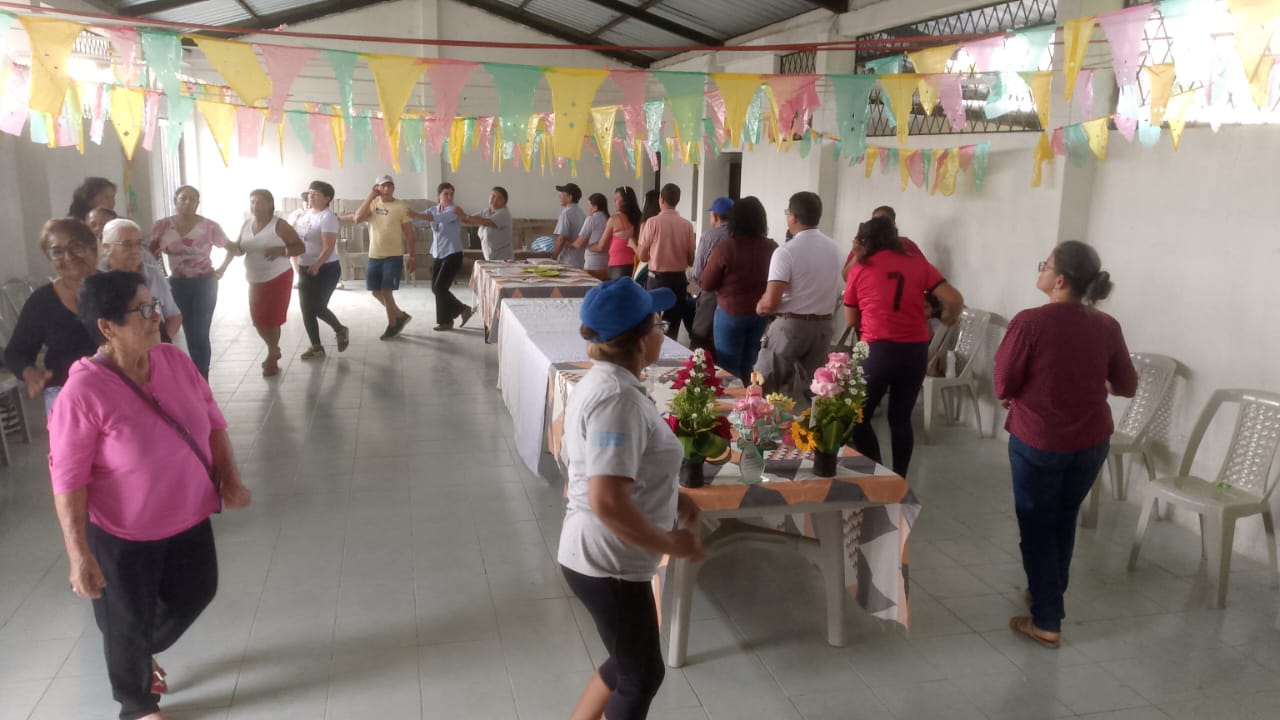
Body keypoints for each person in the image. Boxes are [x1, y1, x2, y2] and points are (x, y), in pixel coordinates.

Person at [49, 270, 252, 720]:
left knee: (196, 593)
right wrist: (79, 554)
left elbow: (213, 421)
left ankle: (133, 644)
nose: (155, 315)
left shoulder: (173, 361)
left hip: (188, 514)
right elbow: (68, 480)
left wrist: (231, 479)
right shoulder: (83, 392)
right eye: (142, 309)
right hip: (124, 532)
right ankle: (137, 703)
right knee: (127, 620)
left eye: (154, 304)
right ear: (107, 327)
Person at [559, 277, 703, 720]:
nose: (663, 332)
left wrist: (673, 498)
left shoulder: (612, 385)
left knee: (627, 662)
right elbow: (606, 499)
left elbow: (623, 469)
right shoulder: (616, 399)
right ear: (641, 340)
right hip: (608, 563)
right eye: (659, 324)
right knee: (640, 676)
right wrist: (669, 542)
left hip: (606, 557)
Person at [995, 241, 1137, 649]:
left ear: (1059, 280)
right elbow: (1127, 384)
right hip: (1090, 441)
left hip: (1039, 440)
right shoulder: (1106, 325)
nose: (1040, 269)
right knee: (1062, 517)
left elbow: (1004, 382)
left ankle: (1046, 621)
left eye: (1046, 264)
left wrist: (1017, 394)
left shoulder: (1030, 322)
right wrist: (1091, 381)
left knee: (1037, 525)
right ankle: (1047, 593)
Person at [843, 216, 964, 477]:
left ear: (865, 241)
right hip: (914, 352)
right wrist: (948, 317)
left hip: (877, 350)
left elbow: (851, 320)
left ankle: (877, 473)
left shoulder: (860, 269)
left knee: (857, 418)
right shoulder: (917, 263)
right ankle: (900, 478)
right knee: (900, 420)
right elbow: (955, 298)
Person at [4, 218, 100, 415]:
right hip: (65, 394)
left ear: (93, 248)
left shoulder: (121, 289)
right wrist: (29, 372)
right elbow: (16, 352)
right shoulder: (42, 301)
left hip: (119, 387)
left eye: (76, 247)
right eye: (57, 252)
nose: (68, 256)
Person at [755, 191, 842, 395]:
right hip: (823, 327)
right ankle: (810, 417)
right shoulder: (834, 248)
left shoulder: (786, 251)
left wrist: (759, 306)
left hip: (790, 327)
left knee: (765, 385)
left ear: (793, 216)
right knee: (817, 390)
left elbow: (770, 302)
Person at [150, 186, 234, 378]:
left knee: (199, 331)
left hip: (204, 283)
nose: (187, 202)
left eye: (192, 199)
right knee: (181, 329)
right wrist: (157, 276)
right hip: (177, 284)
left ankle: (202, 377)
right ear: (175, 201)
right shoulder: (162, 226)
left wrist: (222, 269)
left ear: (198, 203)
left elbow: (232, 248)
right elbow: (151, 251)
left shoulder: (209, 226)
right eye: (183, 198)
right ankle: (178, 374)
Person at [227, 189, 304, 377]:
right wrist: (224, 250)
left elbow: (300, 247)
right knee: (258, 320)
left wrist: (281, 251)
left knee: (272, 319)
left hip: (278, 277)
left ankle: (271, 355)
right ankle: (273, 348)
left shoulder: (280, 225)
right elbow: (239, 249)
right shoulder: (246, 224)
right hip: (254, 279)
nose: (255, 206)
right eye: (252, 202)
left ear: (270, 204)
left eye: (260, 202)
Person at [699, 197, 775, 383]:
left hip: (730, 313)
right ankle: (749, 398)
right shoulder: (772, 247)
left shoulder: (726, 248)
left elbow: (706, 283)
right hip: (759, 314)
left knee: (728, 367)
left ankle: (733, 399)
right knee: (749, 363)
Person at [293, 181, 349, 360]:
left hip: (326, 269)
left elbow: (328, 247)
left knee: (317, 307)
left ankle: (340, 329)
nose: (311, 196)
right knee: (305, 308)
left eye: (316, 193)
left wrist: (317, 265)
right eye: (310, 192)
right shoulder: (304, 215)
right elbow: (298, 240)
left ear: (327, 198)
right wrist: (297, 265)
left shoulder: (328, 217)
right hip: (305, 267)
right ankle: (316, 346)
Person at [101, 219, 182, 343]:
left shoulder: (152, 272)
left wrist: (160, 344)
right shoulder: (99, 282)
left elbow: (174, 316)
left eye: (139, 243)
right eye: (127, 244)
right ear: (106, 248)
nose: (135, 250)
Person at [354, 174, 414, 340]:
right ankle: (400, 315)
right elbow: (357, 218)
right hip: (374, 255)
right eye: (383, 186)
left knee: (387, 292)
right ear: (377, 188)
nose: (387, 189)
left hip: (393, 256)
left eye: (390, 185)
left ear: (394, 187)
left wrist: (412, 256)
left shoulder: (401, 206)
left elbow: (409, 233)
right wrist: (370, 196)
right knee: (375, 292)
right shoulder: (372, 204)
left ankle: (392, 325)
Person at [636, 184, 695, 340]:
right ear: (678, 201)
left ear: (661, 199)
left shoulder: (652, 222)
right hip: (679, 280)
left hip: (657, 279)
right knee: (673, 324)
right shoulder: (687, 225)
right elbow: (691, 260)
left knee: (651, 321)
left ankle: (653, 350)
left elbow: (642, 256)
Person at [417, 182, 473, 332]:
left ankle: (463, 309)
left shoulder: (453, 210)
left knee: (440, 288)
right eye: (445, 194)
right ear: (438, 195)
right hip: (438, 253)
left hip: (453, 254)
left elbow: (438, 218)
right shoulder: (433, 209)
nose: (449, 197)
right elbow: (419, 218)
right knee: (436, 289)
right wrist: (404, 218)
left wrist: (415, 214)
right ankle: (446, 322)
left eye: (451, 194)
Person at [689, 196, 734, 351]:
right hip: (734, 300)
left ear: (715, 216)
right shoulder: (740, 235)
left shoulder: (709, 236)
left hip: (711, 296)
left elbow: (697, 272)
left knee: (699, 341)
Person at [842, 205, 923, 281]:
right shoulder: (863, 244)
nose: (878, 225)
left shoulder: (906, 244)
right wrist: (857, 256)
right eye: (875, 221)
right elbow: (846, 277)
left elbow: (922, 272)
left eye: (883, 222)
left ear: (893, 224)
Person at [596, 186, 641, 281]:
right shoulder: (640, 218)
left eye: (616, 199)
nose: (614, 202)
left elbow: (601, 246)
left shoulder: (614, 219)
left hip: (617, 266)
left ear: (625, 201)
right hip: (636, 266)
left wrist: (589, 247)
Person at [461, 186, 514, 261]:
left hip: (503, 259)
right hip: (490, 258)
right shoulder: (486, 212)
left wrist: (463, 216)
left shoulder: (504, 213)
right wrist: (458, 215)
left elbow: (485, 222)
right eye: (493, 196)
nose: (495, 200)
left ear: (504, 201)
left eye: (499, 198)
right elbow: (468, 219)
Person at [552, 182, 587, 269]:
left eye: (562, 194)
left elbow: (561, 239)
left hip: (568, 261)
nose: (560, 196)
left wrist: (553, 257)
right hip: (580, 260)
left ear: (569, 197)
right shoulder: (581, 212)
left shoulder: (566, 213)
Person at [578, 193, 611, 280]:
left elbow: (579, 243)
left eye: (589, 205)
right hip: (607, 265)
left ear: (595, 207)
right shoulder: (610, 219)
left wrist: (568, 244)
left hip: (592, 265)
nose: (587, 208)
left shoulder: (591, 219)